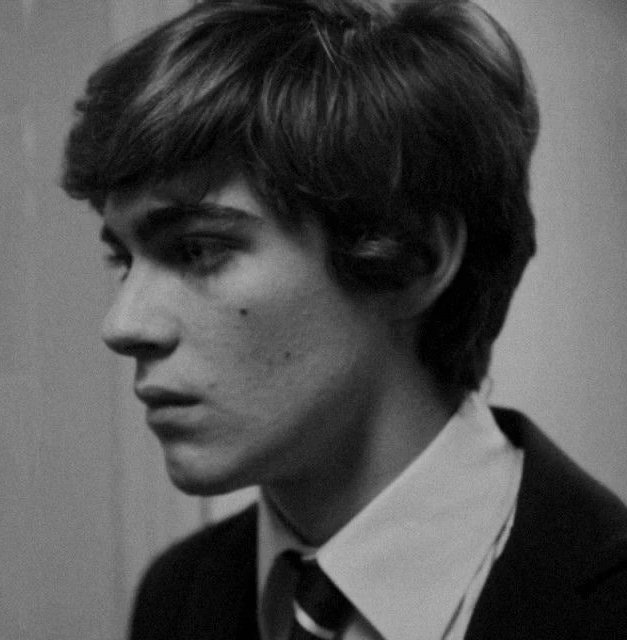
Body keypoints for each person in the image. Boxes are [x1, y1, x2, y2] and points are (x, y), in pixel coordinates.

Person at [61, 0, 627, 638]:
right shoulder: (178, 594)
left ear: (413, 258)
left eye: (198, 249)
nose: (122, 324)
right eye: (123, 259)